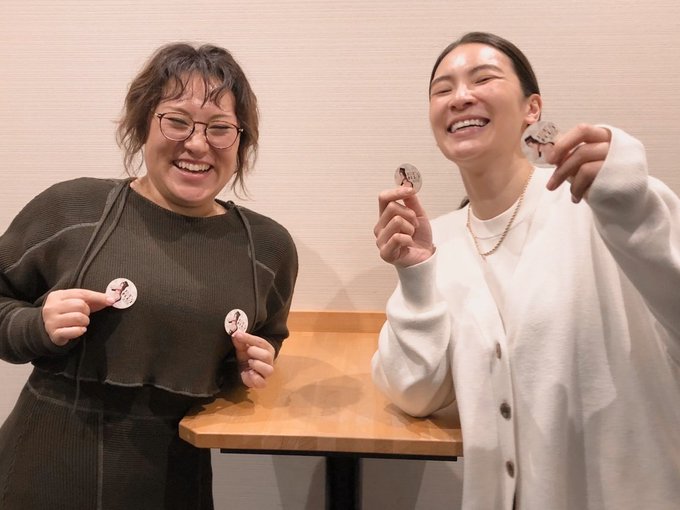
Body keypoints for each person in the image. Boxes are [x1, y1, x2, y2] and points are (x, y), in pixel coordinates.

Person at [372, 31, 680, 510]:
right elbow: (413, 393)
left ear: (532, 109)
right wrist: (416, 277)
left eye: (483, 79)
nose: (460, 97)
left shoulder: (596, 203)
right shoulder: (441, 240)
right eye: (442, 89)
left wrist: (633, 203)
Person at [0, 42, 298, 509]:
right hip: (46, 479)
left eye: (220, 128)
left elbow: (268, 338)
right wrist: (36, 325)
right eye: (177, 121)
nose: (197, 144)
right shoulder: (72, 209)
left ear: (241, 143)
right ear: (143, 125)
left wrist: (247, 367)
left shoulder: (267, 248)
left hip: (176, 486)